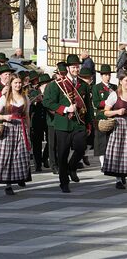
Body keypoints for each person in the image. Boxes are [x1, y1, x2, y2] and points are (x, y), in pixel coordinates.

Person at [43, 54, 92, 193]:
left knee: (81, 147)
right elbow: (47, 102)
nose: (76, 69)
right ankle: (64, 182)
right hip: (63, 124)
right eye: (73, 67)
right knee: (63, 153)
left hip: (79, 123)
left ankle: (72, 167)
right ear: (68, 68)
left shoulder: (83, 85)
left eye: (77, 66)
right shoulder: (57, 84)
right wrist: (64, 109)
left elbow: (87, 105)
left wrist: (88, 124)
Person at [0, 74, 31, 195]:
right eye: (15, 83)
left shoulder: (25, 98)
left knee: (21, 153)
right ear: (10, 84)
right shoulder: (4, 98)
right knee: (7, 155)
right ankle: (8, 184)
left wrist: (28, 130)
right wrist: (4, 116)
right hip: (8, 129)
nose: (18, 85)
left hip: (21, 128)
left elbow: (27, 116)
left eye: (20, 83)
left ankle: (20, 176)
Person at [102, 71, 127, 189]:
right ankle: (118, 179)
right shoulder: (115, 95)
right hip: (118, 126)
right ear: (121, 81)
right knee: (118, 152)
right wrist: (117, 112)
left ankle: (123, 174)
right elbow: (106, 112)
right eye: (126, 80)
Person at [92, 64, 117, 169]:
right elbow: (96, 103)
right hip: (101, 115)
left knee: (112, 140)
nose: (108, 77)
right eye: (105, 75)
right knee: (101, 140)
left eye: (109, 75)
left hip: (112, 115)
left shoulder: (114, 87)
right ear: (101, 76)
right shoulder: (96, 87)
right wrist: (108, 102)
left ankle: (111, 161)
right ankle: (102, 163)